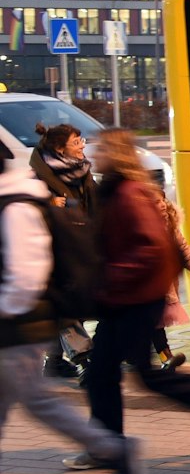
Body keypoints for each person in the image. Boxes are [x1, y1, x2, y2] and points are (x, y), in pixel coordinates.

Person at [73, 131, 190, 467]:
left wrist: (109, 280)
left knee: (131, 374)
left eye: (100, 148)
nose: (94, 153)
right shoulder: (117, 191)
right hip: (125, 301)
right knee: (106, 374)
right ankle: (109, 445)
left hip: (133, 301)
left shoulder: (129, 193)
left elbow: (152, 248)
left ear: (114, 154)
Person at [0, 134, 140, 474]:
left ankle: (112, 447)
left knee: (41, 404)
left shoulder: (15, 206)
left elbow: (26, 276)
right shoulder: (17, 198)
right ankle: (112, 447)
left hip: (20, 325)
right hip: (20, 324)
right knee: (36, 403)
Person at [30, 123, 95, 378]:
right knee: (64, 307)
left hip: (78, 246)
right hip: (54, 253)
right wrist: (48, 204)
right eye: (76, 142)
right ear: (59, 149)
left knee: (66, 306)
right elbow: (27, 213)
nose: (82, 147)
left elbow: (94, 204)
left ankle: (54, 362)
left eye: (82, 141)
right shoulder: (38, 178)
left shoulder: (82, 171)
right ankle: (85, 360)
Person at [150, 189, 190, 372]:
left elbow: (183, 248)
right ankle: (163, 357)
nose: (163, 204)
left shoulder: (169, 226)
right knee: (148, 326)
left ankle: (165, 358)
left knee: (154, 325)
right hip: (146, 286)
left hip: (160, 284)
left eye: (163, 200)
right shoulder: (143, 228)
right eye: (157, 202)